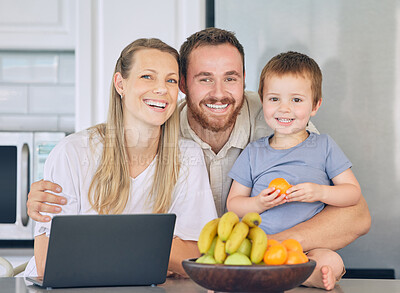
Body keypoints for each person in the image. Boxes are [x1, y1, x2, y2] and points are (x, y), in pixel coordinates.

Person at [27, 28, 370, 261]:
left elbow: (356, 215)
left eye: (230, 79)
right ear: (184, 86)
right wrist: (45, 204)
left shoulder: (281, 117)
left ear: (244, 80)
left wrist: (262, 251)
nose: (219, 93)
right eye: (204, 79)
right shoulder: (162, 127)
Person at [23, 38, 217, 278]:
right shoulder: (72, 153)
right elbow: (48, 262)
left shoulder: (188, 156)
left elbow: (199, 258)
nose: (161, 89)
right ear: (120, 84)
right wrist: (161, 246)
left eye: (171, 80)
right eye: (147, 76)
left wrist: (97, 241)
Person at [227, 51, 362, 290]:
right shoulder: (253, 152)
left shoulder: (324, 145)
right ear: (262, 100)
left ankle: (305, 276)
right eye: (274, 99)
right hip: (263, 244)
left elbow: (352, 193)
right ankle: (284, 275)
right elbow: (234, 203)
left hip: (310, 247)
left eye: (296, 100)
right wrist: (258, 203)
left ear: (315, 105)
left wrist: (320, 192)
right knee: (237, 258)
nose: (284, 109)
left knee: (331, 260)